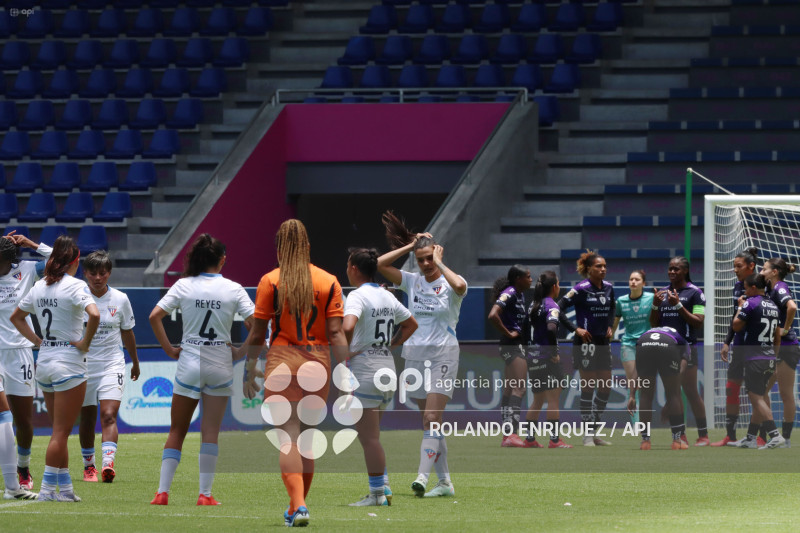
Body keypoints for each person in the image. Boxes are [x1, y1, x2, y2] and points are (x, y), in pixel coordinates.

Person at [240, 219, 347, 527]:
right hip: (319, 363)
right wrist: (344, 374)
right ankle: (296, 507)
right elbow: (337, 333)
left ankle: (298, 505)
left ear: (279, 248)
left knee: (288, 438)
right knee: (308, 440)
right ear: (308, 246)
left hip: (282, 364)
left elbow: (258, 333)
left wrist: (250, 370)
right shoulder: (329, 281)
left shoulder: (270, 281)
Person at [149, 234, 254, 506]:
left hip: (190, 359)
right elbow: (257, 327)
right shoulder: (234, 288)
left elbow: (154, 316)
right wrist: (240, 353)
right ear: (222, 260)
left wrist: (169, 349)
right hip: (220, 360)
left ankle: (162, 493)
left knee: (177, 430)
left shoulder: (183, 285)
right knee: (210, 433)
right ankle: (205, 495)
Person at [378, 212, 467, 498]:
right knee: (431, 424)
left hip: (444, 355)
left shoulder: (451, 284)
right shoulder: (413, 281)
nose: (426, 264)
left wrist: (440, 261)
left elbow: (461, 287)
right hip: (415, 356)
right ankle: (445, 484)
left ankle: (421, 477)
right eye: (422, 260)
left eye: (430, 258)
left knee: (431, 416)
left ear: (437, 254)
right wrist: (411, 246)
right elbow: (380, 264)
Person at [11, 235, 99, 502]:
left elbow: (17, 317)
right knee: (61, 433)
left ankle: (67, 489)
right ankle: (49, 490)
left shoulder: (39, 287)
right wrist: (85, 342)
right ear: (74, 261)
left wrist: (37, 341)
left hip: (45, 361)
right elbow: (95, 314)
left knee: (58, 431)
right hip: (69, 363)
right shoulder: (75, 286)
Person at [342, 247, 418, 507]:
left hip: (366, 368)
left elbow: (348, 326)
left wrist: (344, 353)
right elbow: (411, 324)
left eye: (347, 264)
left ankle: (377, 495)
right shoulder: (386, 296)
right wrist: (391, 346)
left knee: (368, 438)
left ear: (354, 268)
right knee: (372, 435)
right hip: (387, 366)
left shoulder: (356, 296)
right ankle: (382, 486)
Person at [78, 251, 140, 483]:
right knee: (86, 418)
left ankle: (107, 465)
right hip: (82, 365)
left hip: (112, 363)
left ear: (109, 273)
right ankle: (88, 466)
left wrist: (134, 361)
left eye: (102, 273)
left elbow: (127, 332)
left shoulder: (121, 299)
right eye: (92, 273)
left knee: (108, 414)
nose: (97, 278)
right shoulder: (77, 297)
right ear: (85, 273)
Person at [0, 230, 52, 492]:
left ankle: (23, 466)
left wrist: (33, 245)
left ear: (9, 260)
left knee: (23, 420)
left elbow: (64, 261)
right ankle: (10, 476)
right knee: (3, 417)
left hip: (20, 352)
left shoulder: (27, 271)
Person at [649, 256, 709, 446]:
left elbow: (698, 321)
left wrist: (678, 305)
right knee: (672, 389)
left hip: (687, 348)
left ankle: (703, 435)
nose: (672, 272)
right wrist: (655, 306)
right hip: (665, 349)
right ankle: (681, 435)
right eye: (670, 269)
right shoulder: (664, 293)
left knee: (690, 391)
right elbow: (654, 323)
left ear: (685, 271)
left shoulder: (696, 293)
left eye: (676, 269)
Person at [558, 251, 615, 446]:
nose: (603, 269)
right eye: (599, 266)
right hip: (585, 343)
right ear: (589, 269)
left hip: (603, 343)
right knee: (588, 388)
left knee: (606, 388)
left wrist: (610, 325)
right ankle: (587, 435)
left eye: (605, 266)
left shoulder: (609, 287)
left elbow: (612, 308)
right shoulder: (580, 289)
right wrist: (576, 329)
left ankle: (594, 431)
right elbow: (558, 308)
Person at [731, 274, 784, 449]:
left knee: (755, 398)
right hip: (769, 357)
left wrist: (740, 307)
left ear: (753, 287)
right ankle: (751, 437)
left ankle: (775, 435)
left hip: (754, 357)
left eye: (746, 288)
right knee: (760, 397)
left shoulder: (751, 303)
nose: (745, 291)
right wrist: (773, 358)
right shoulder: (774, 306)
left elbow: (736, 326)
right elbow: (777, 336)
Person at [712, 247, 758, 447]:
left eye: (738, 266)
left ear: (751, 266)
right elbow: (735, 317)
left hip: (756, 348)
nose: (735, 270)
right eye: (734, 266)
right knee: (731, 389)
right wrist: (727, 341)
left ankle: (760, 435)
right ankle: (730, 435)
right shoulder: (737, 287)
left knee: (757, 393)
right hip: (739, 346)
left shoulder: (763, 287)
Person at [522, 270, 571, 449]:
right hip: (547, 359)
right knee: (553, 400)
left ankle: (529, 439)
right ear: (554, 286)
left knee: (537, 400)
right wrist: (552, 354)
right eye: (558, 284)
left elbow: (525, 331)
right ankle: (555, 440)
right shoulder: (552, 306)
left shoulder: (533, 305)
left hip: (533, 358)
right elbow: (551, 329)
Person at [487, 265, 532, 447]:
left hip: (514, 345)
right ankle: (512, 433)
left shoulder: (519, 294)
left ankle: (507, 436)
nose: (531, 280)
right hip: (512, 345)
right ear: (517, 279)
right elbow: (493, 315)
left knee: (509, 388)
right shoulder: (510, 292)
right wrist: (508, 333)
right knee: (519, 388)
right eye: (528, 277)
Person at [628, 326, 690, 450]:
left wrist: (632, 395)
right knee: (673, 394)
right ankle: (677, 440)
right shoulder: (683, 342)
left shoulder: (647, 333)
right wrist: (673, 396)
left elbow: (636, 369)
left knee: (645, 395)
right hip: (667, 345)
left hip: (644, 343)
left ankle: (645, 441)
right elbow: (682, 369)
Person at [761, 257, 798, 447]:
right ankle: (774, 435)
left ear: (774, 272)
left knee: (785, 394)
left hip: (787, 346)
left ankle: (786, 438)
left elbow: (792, 306)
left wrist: (785, 328)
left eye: (764, 268)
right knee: (762, 391)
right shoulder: (769, 288)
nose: (761, 270)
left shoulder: (780, 287)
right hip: (774, 346)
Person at [611, 270, 654, 425]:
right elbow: (614, 325)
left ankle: (644, 421)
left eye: (637, 279)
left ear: (643, 283)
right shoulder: (621, 301)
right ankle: (636, 424)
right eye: (631, 279)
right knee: (633, 384)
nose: (633, 282)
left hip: (648, 344)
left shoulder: (651, 298)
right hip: (628, 344)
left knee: (643, 385)